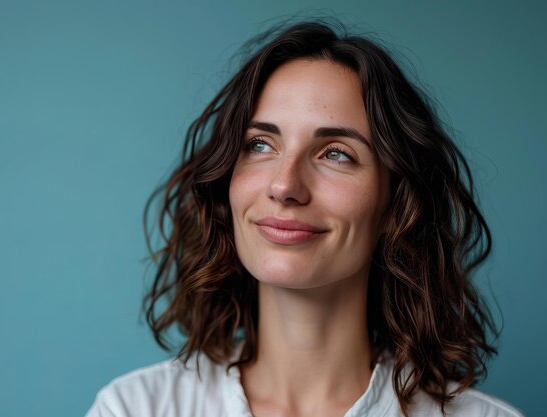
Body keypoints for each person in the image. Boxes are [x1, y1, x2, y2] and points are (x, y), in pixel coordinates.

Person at [85, 19, 524, 417]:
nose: (284, 185)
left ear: (396, 204)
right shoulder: (134, 409)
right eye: (260, 144)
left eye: (336, 153)